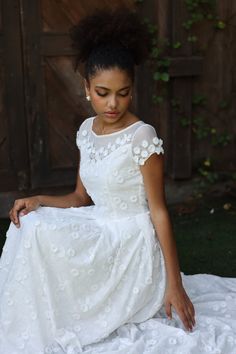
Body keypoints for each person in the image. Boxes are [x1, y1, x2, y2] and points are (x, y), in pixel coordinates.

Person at [0, 9, 235, 354]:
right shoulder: (86, 131)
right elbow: (81, 197)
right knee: (31, 223)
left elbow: (159, 212)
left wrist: (175, 285)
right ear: (86, 88)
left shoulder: (142, 137)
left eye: (123, 93)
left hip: (132, 242)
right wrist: (39, 199)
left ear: (132, 89)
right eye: (103, 92)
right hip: (100, 224)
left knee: (39, 231)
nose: (113, 103)